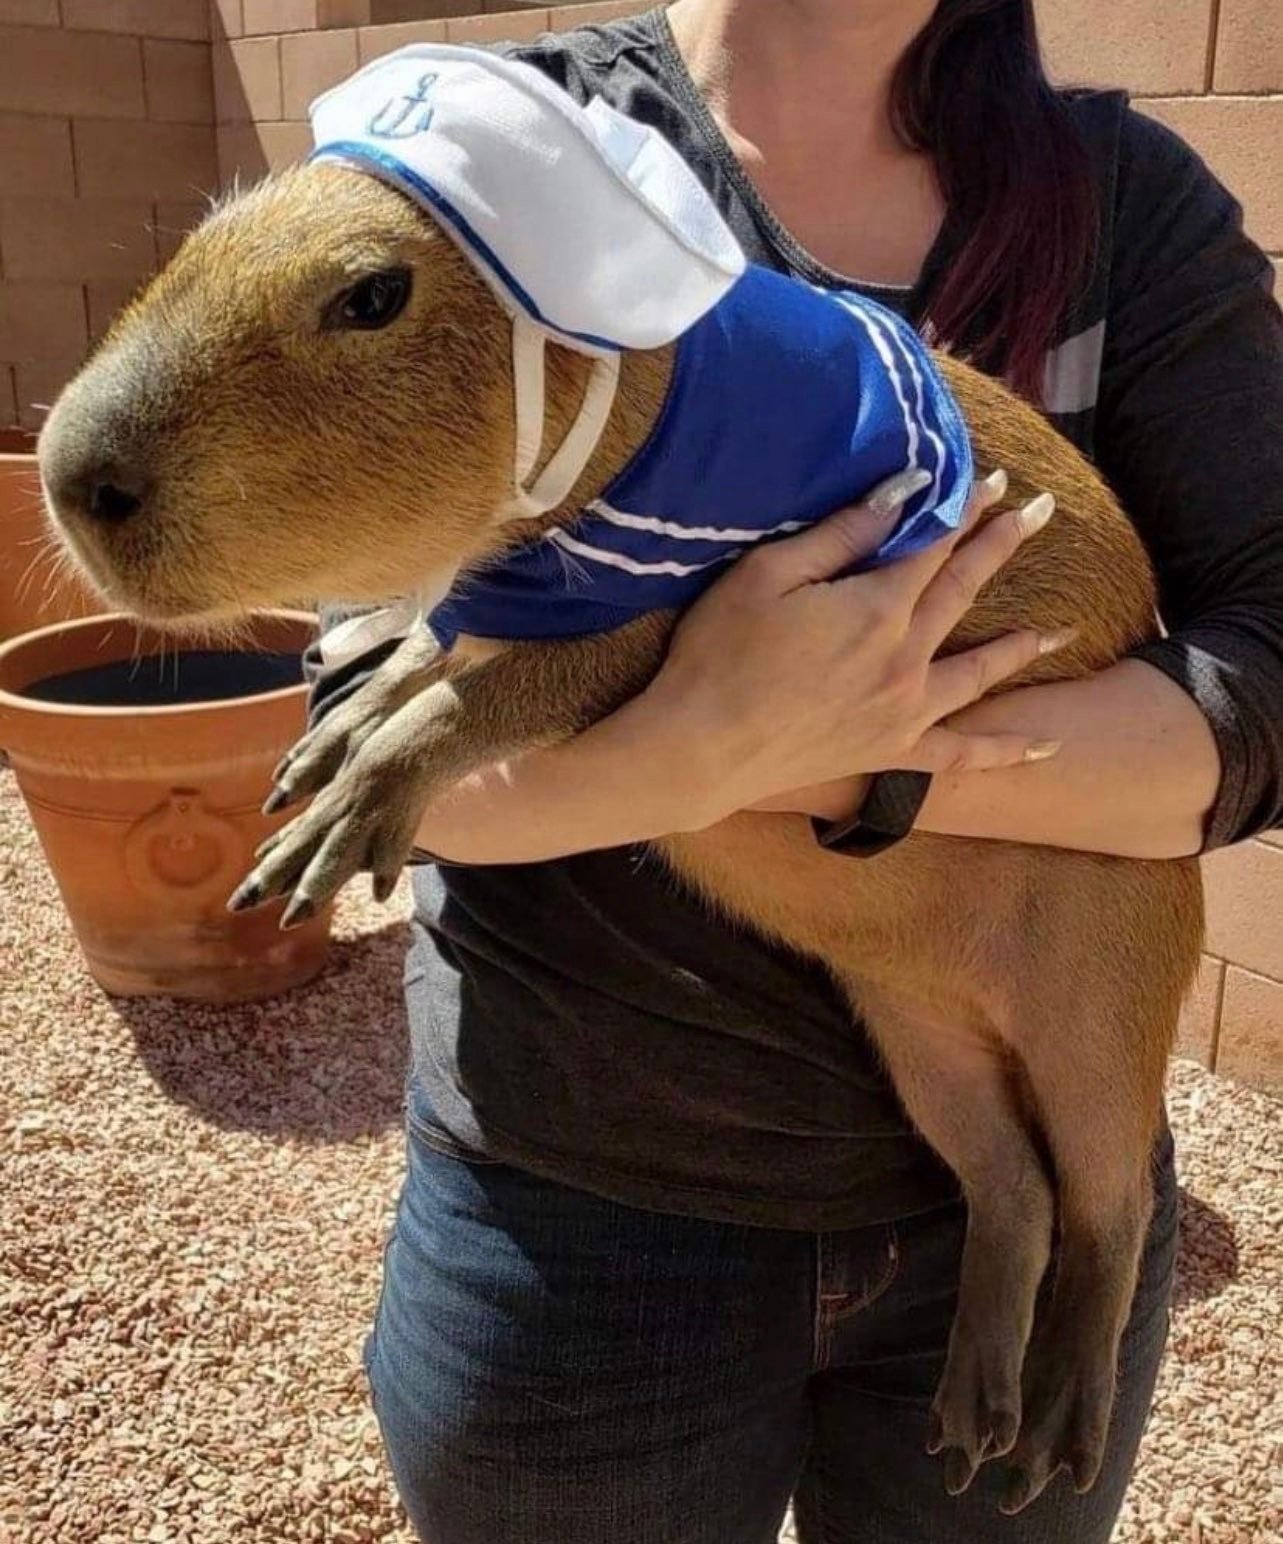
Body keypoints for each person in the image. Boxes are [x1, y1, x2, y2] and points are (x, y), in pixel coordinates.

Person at [307, 3, 1283, 1540]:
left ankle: (1048, 1251)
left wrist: (845, 757)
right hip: (582, 1230)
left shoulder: (1126, 202)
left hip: (988, 1118)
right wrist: (703, 742)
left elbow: (1266, 680)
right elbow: (366, 744)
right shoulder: (494, 138)